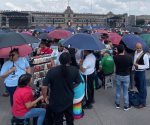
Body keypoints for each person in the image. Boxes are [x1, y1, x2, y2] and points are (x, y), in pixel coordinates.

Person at [41, 52, 81, 125]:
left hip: (56, 101)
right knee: (70, 119)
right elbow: (78, 82)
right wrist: (70, 86)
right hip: (68, 99)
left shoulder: (52, 71)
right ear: (70, 61)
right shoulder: (74, 70)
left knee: (58, 121)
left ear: (59, 60)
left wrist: (45, 97)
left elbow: (44, 86)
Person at [113, 45, 133, 111]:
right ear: (124, 50)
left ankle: (117, 104)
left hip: (118, 75)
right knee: (125, 91)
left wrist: (116, 53)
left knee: (118, 90)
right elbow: (131, 65)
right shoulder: (129, 57)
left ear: (117, 50)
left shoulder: (115, 57)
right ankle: (126, 106)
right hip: (126, 75)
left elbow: (116, 61)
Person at [133, 43, 149, 108]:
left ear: (141, 47)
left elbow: (147, 66)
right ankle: (141, 97)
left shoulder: (145, 55)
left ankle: (143, 103)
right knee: (137, 85)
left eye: (140, 48)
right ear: (135, 48)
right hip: (136, 72)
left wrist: (138, 66)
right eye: (137, 48)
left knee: (142, 88)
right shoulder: (135, 52)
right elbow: (134, 61)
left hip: (141, 72)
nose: (139, 49)